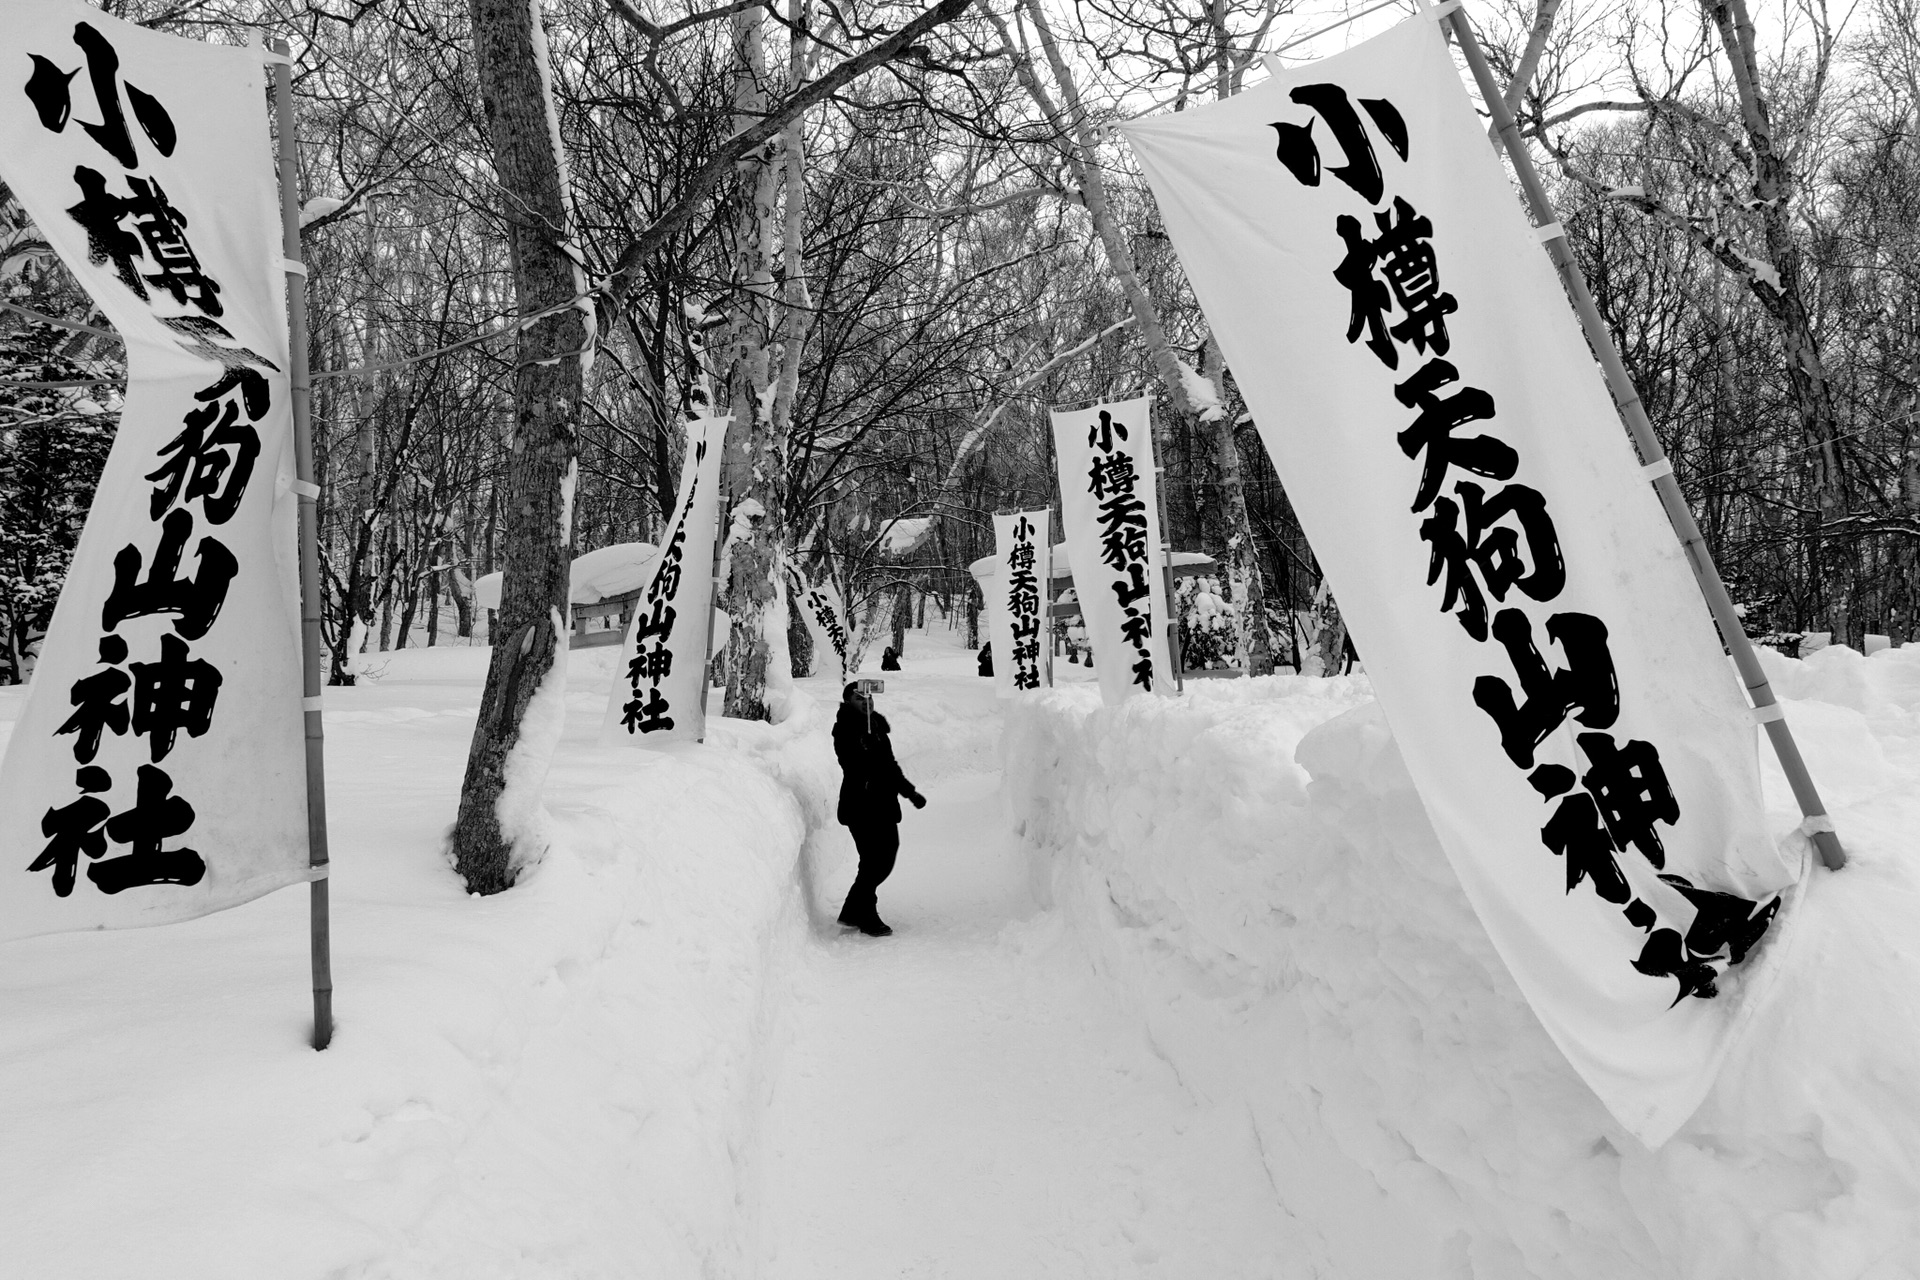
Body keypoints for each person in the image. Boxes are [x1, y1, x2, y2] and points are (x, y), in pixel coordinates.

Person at [833, 680, 925, 936]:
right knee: (874, 861)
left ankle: (853, 910)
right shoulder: (844, 728)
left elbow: (889, 765)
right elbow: (850, 762)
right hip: (860, 804)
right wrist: (865, 746)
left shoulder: (878, 729)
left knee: (884, 857)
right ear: (848, 701)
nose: (867, 702)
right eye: (860, 699)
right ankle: (866, 914)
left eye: (869, 698)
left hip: (884, 804)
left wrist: (909, 792)